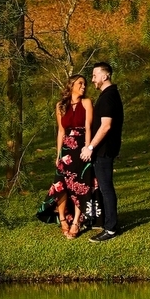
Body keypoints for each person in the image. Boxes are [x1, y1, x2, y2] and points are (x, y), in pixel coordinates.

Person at [36, 74, 101, 239]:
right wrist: (58, 154)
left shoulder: (86, 102)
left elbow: (88, 127)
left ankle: (76, 221)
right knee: (61, 184)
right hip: (66, 151)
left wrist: (87, 149)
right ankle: (63, 218)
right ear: (71, 85)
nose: (84, 86)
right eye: (80, 83)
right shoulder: (60, 106)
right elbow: (61, 132)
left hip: (80, 149)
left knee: (80, 184)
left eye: (85, 84)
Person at [81, 62, 124, 242]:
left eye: (94, 75)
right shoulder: (108, 95)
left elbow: (106, 127)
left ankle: (111, 229)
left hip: (104, 150)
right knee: (105, 188)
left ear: (105, 76)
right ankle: (105, 221)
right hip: (103, 150)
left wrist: (90, 147)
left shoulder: (108, 97)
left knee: (106, 189)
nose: (92, 80)